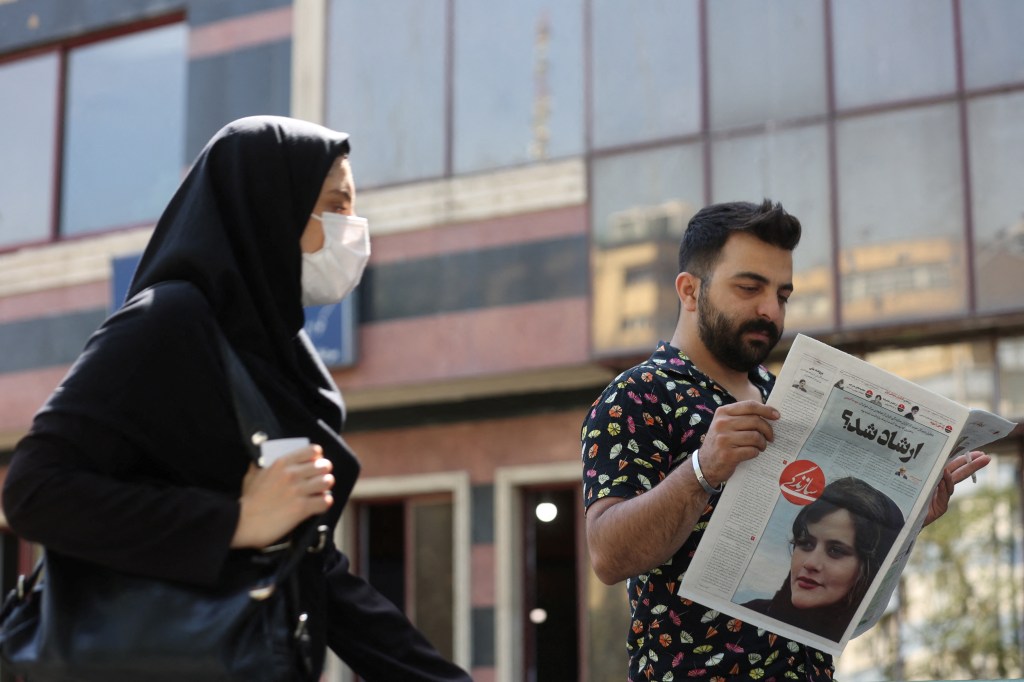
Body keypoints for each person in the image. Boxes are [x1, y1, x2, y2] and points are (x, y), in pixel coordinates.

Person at [2, 116, 471, 681]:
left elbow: (310, 566)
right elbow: (34, 490)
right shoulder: (165, 324)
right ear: (268, 207)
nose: (352, 230)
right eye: (334, 206)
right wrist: (232, 521)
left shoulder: (279, 362)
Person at [581, 199, 990, 681]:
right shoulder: (638, 395)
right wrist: (701, 470)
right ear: (690, 291)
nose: (769, 311)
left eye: (783, 294)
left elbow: (842, 617)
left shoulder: (793, 396)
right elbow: (608, 556)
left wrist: (903, 525)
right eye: (749, 287)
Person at [742, 477, 904, 642]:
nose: (811, 563)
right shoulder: (746, 613)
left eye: (835, 550)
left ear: (867, 568)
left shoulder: (827, 647)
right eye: (805, 543)